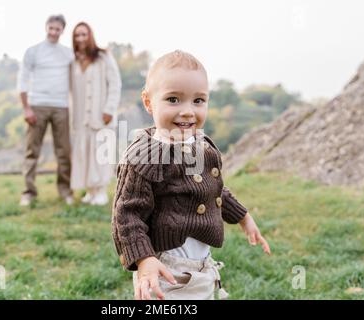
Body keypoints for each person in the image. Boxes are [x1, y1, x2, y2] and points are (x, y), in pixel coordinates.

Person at [112, 50, 271, 300]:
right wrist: (144, 259)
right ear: (148, 102)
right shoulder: (143, 156)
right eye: (173, 99)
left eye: (198, 101)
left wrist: (243, 216)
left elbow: (212, 189)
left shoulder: (200, 145)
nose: (188, 111)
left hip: (202, 267)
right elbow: (127, 215)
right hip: (165, 271)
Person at [17, 15, 74, 206]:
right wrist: (26, 108)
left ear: (62, 31)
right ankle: (29, 192)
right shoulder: (33, 51)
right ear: (46, 28)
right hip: (37, 105)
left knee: (64, 151)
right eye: (51, 28)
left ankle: (65, 191)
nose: (53, 32)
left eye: (57, 29)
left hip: (61, 106)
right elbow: (23, 80)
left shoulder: (67, 53)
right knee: (32, 151)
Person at [69, 22, 121, 205]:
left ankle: (101, 191)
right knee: (85, 154)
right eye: (77, 35)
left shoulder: (103, 57)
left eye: (84, 34)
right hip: (81, 116)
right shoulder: (73, 61)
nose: (81, 38)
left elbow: (115, 84)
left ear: (90, 35)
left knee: (101, 155)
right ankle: (90, 191)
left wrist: (109, 109)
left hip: (102, 114)